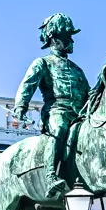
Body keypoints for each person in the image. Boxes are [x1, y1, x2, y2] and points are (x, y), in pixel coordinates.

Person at [12, 13, 91, 200]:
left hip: (79, 113)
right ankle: (50, 175)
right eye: (67, 36)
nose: (71, 40)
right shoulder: (43, 63)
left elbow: (88, 94)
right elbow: (27, 85)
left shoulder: (77, 69)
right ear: (55, 38)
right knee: (60, 129)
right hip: (57, 110)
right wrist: (20, 107)